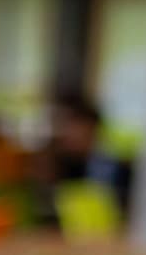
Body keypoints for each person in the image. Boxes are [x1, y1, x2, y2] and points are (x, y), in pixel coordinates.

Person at [35, 84, 135, 226]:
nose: (66, 133)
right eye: (61, 125)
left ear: (93, 127)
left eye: (73, 126)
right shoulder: (57, 163)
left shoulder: (117, 168)